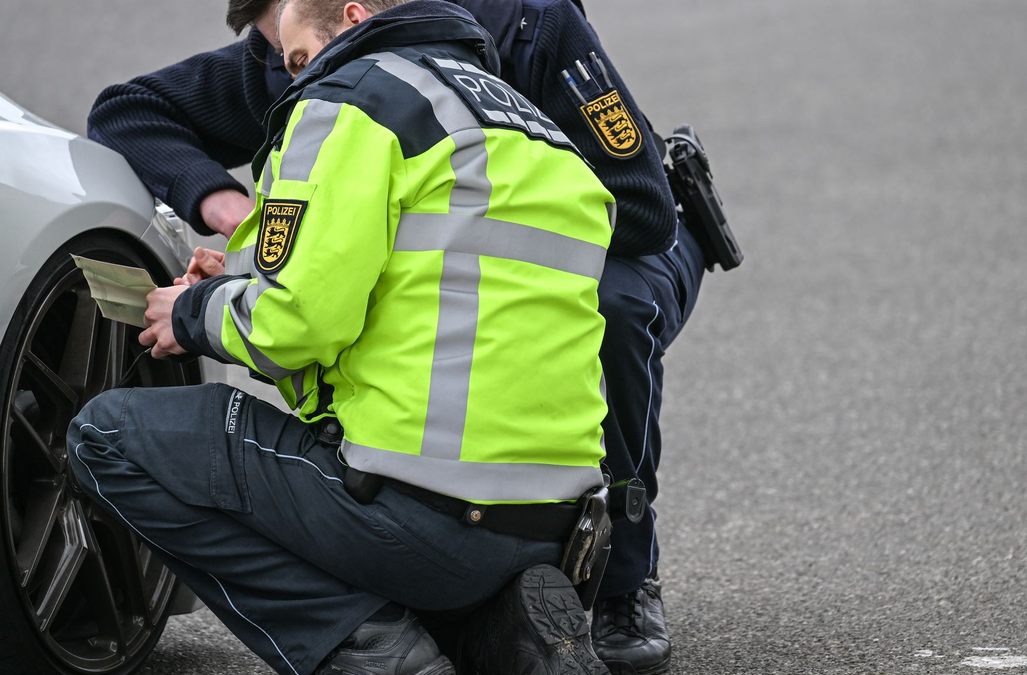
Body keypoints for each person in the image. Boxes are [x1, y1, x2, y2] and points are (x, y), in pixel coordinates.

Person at [89, 0, 717, 672]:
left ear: (352, 15)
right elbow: (432, 283)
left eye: (295, 57)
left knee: (106, 434)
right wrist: (258, 260)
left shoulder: (374, 90)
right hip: (556, 525)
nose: (291, 78)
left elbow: (298, 326)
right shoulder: (532, 128)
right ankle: (502, 628)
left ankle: (393, 646)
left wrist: (195, 311)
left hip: (424, 509)